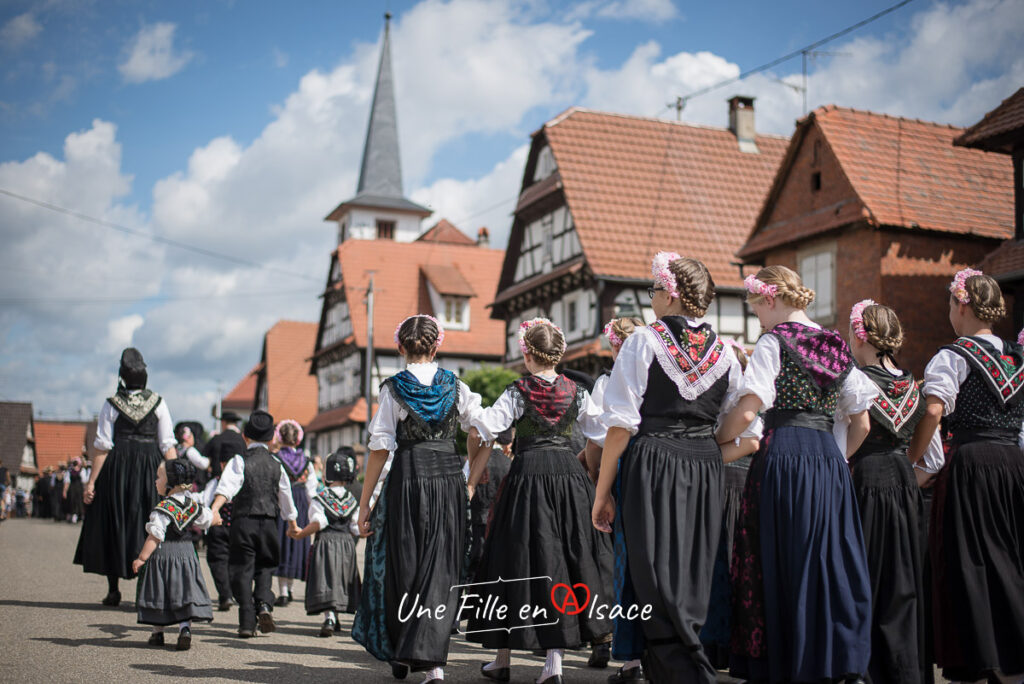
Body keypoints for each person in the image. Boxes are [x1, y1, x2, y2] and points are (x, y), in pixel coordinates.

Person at [716, 266, 876, 684]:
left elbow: (750, 409)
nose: (759, 322)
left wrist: (715, 440)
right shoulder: (836, 343)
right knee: (827, 558)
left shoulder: (775, 340)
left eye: (757, 312)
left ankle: (788, 663)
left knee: (782, 556)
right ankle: (836, 660)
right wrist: (835, 461)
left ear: (770, 300)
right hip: (827, 458)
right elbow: (862, 423)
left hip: (784, 453)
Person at [591, 254, 743, 684]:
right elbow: (742, 424)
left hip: (654, 459)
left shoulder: (644, 340)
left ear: (670, 293)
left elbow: (620, 425)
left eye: (653, 291)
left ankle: (687, 672)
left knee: (653, 572)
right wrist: (707, 449)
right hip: (704, 463)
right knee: (694, 571)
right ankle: (682, 666)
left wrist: (603, 493)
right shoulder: (727, 351)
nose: (651, 299)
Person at [467, 317, 612, 684]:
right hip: (568, 476)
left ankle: (503, 658)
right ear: (558, 355)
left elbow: (483, 428)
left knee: (513, 559)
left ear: (528, 355)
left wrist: (471, 460)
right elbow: (599, 432)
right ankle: (554, 663)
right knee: (563, 557)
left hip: (528, 475)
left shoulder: (517, 391)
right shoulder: (578, 392)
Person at [907, 269, 1024, 683]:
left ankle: (984, 656)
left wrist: (911, 459)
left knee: (970, 560)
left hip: (971, 463)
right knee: (1013, 555)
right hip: (1014, 463)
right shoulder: (1017, 355)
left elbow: (935, 411)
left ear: (962, 304)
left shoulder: (952, 355)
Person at [352, 314, 483, 684]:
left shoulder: (393, 388)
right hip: (446, 479)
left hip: (408, 478)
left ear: (400, 348)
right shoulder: (457, 387)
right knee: (441, 567)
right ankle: (432, 661)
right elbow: (483, 430)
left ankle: (407, 651)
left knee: (404, 565)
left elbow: (379, 448)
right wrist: (470, 479)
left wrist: (365, 503)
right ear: (437, 346)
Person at [844, 300, 938, 684]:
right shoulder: (911, 381)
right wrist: (907, 458)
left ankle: (869, 669)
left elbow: (854, 430)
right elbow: (927, 425)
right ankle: (906, 671)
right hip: (902, 479)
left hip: (867, 477)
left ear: (860, 334)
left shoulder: (855, 380)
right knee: (904, 580)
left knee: (866, 576)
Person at [74, 348, 177, 606]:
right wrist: (176, 481)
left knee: (115, 518)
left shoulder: (111, 404)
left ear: (122, 376)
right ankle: (145, 588)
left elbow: (102, 446)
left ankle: (113, 589)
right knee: (149, 519)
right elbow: (167, 444)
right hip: (150, 466)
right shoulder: (158, 402)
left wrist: (92, 481)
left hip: (117, 467)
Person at [699, 338, 763, 670]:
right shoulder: (715, 402)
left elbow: (752, 442)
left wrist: (706, 455)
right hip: (719, 483)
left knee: (731, 564)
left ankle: (728, 645)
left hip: (734, 484)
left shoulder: (743, 402)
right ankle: (716, 645)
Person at [210, 409, 300, 638]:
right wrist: (292, 523)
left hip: (244, 522)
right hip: (269, 522)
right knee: (266, 566)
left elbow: (226, 487)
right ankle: (264, 605)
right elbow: (285, 496)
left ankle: (247, 623)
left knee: (242, 568)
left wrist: (214, 509)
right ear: (271, 439)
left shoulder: (239, 461)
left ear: (245, 437)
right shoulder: (276, 463)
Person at [133, 458, 214, 650]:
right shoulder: (192, 505)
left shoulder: (163, 509)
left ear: (171, 481)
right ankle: (185, 629)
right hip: (187, 554)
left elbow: (155, 535)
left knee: (161, 591)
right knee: (184, 591)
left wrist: (142, 557)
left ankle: (157, 633)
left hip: (164, 555)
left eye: (159, 477)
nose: (156, 481)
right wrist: (215, 519)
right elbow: (206, 519)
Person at [288, 446, 362, 636]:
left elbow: (318, 523)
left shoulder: (320, 498)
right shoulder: (351, 499)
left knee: (327, 579)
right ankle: (335, 616)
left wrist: (301, 533)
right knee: (340, 580)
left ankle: (329, 617)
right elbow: (356, 528)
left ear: (327, 475)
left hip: (326, 543)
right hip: (346, 544)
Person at [202, 411, 247, 611]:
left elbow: (204, 461)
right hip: (239, 519)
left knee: (217, 557)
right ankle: (237, 592)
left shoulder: (216, 439)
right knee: (238, 557)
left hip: (217, 518)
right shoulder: (243, 441)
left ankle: (224, 594)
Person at [272, 419, 318, 607]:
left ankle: (283, 590)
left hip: (281, 502)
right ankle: (290, 589)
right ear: (298, 438)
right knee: (296, 544)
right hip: (301, 502)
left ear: (279, 437)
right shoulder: (306, 462)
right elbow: (312, 490)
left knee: (282, 544)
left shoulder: (275, 459)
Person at [466, 427, 512, 583]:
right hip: (499, 525)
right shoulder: (510, 464)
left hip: (475, 521)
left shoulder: (476, 460)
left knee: (472, 570)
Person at [175, 424, 210, 490]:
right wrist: (209, 459)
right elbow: (203, 464)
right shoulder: (190, 451)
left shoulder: (178, 449)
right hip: (190, 485)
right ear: (188, 438)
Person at [63, 458, 86, 524]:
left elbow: (67, 482)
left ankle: (78, 516)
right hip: (75, 489)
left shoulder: (71, 471)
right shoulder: (80, 470)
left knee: (78, 502)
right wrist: (64, 491)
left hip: (76, 489)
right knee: (74, 502)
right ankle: (75, 516)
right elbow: (84, 481)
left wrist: (64, 491)